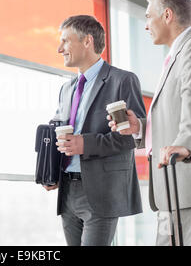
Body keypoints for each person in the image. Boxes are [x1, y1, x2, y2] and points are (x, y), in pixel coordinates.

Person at [108, 0, 191, 245]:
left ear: (167, 15)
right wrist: (139, 127)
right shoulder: (177, 53)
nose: (145, 25)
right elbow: (173, 111)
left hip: (187, 179)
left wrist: (185, 145)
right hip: (174, 185)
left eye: (147, 16)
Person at [44, 15, 146, 246]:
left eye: (65, 41)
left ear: (87, 41)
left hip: (102, 192)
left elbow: (130, 139)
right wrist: (49, 170)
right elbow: (58, 132)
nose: (60, 49)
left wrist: (84, 144)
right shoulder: (67, 88)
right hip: (68, 190)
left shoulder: (122, 80)